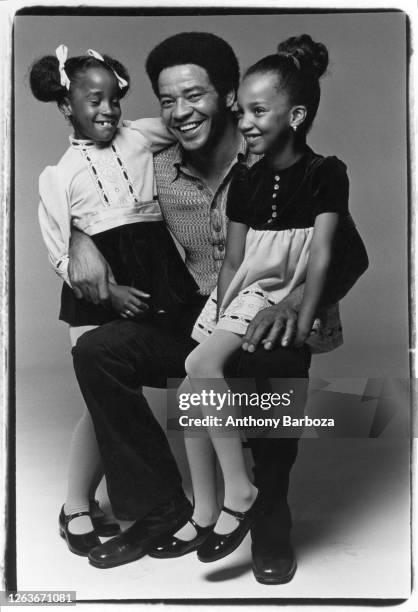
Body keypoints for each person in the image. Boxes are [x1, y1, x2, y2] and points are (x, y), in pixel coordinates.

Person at [69, 32, 368, 582]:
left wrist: (301, 300)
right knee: (98, 352)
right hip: (196, 315)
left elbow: (347, 252)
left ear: (229, 96)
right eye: (166, 100)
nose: (180, 113)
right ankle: (161, 509)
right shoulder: (153, 166)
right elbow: (82, 186)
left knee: (273, 358)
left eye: (195, 95)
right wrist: (76, 237)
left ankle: (268, 515)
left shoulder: (272, 157)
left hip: (266, 312)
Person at [150, 34, 352, 568]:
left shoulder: (324, 172)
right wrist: (217, 313)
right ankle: (206, 507)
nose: (244, 122)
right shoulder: (245, 176)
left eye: (259, 111)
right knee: (193, 379)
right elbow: (234, 263)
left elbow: (333, 256)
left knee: (218, 365)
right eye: (241, 111)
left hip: (286, 296)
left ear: (298, 116)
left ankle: (249, 500)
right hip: (242, 293)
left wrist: (303, 318)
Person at [29, 44, 197, 557]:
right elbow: (62, 252)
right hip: (100, 293)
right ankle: (78, 505)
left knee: (137, 381)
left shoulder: (141, 136)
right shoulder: (59, 174)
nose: (106, 110)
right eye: (92, 101)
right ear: (65, 107)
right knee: (97, 391)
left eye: (113, 100)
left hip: (155, 275)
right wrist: (106, 285)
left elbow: (189, 125)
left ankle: (143, 501)